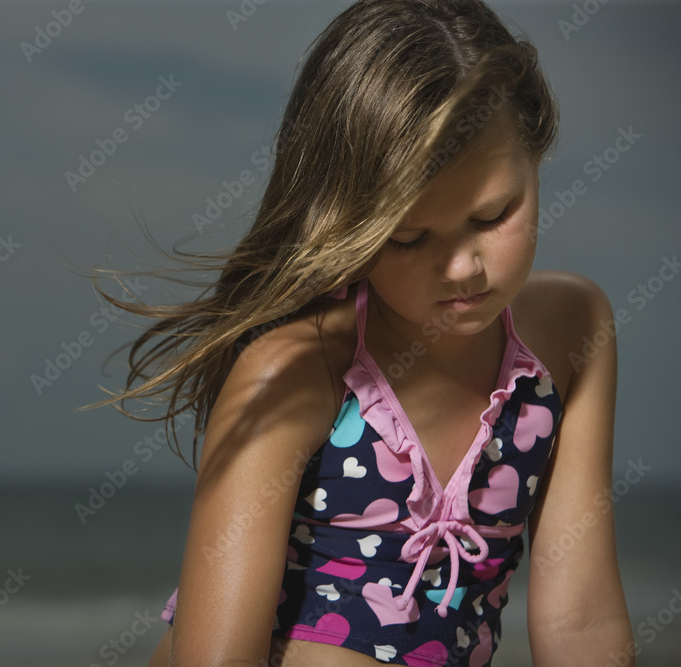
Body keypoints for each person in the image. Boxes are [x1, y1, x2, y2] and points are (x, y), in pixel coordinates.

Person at [77, 0, 633, 664]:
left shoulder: (571, 332)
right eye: (409, 237)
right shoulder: (295, 370)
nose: (463, 268)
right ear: (346, 224)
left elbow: (581, 622)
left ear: (537, 156)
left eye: (494, 215)